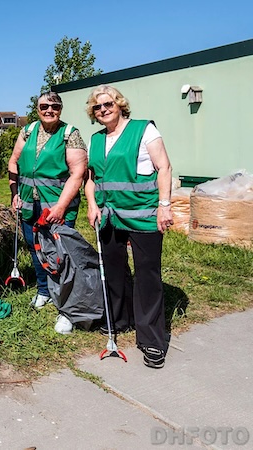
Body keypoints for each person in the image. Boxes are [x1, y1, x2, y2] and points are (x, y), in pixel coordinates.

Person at [84, 85, 174, 369]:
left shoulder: (144, 130)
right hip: (109, 216)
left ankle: (151, 339)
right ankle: (120, 319)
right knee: (113, 270)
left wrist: (165, 205)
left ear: (120, 104)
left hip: (143, 215)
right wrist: (91, 204)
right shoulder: (96, 139)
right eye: (97, 107)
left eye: (108, 104)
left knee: (147, 275)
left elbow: (165, 168)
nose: (103, 110)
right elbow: (91, 178)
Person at [7, 91, 87, 334]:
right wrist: (14, 193)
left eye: (54, 106)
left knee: (62, 254)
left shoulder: (69, 134)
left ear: (60, 109)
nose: (49, 109)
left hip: (56, 205)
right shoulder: (28, 131)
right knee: (35, 249)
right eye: (44, 106)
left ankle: (66, 303)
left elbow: (78, 173)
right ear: (37, 108)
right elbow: (13, 162)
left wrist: (62, 206)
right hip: (30, 205)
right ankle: (44, 291)